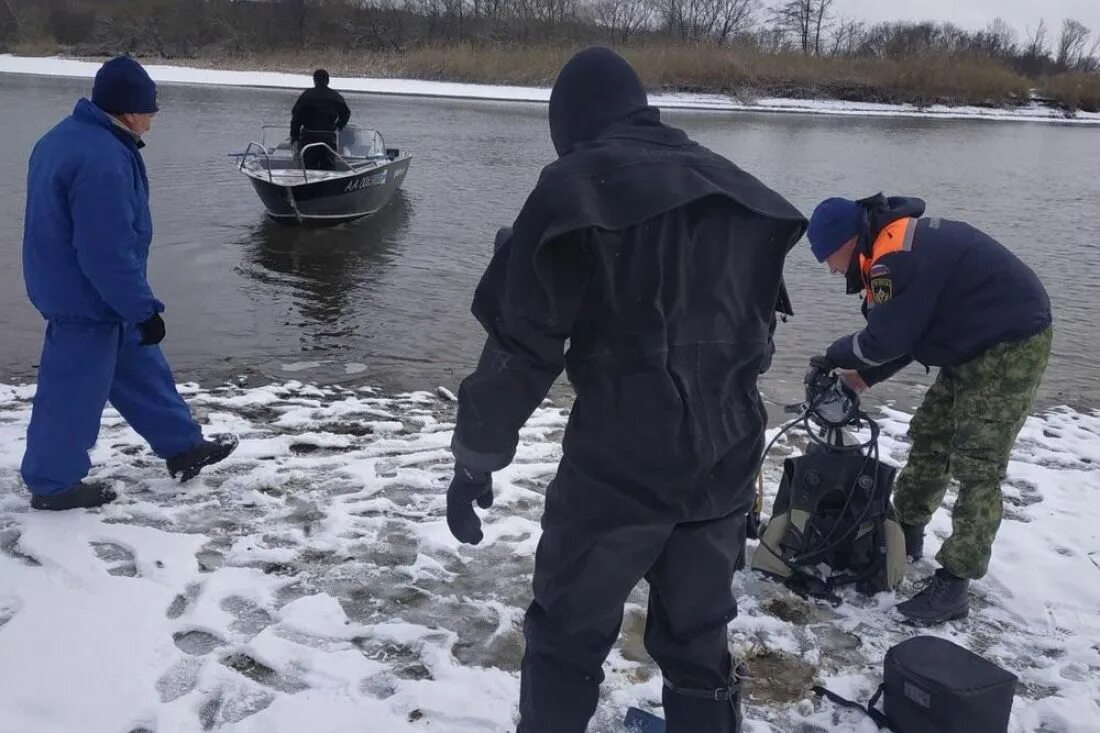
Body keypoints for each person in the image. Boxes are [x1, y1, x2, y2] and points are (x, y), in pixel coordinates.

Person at [446, 48, 807, 732]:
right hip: (728, 456)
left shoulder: (572, 186)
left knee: (567, 634)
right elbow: (753, 342)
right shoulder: (736, 187)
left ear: (571, 125)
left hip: (620, 464)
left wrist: (475, 459)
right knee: (699, 643)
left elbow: (521, 352)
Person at [805, 194, 1052, 626]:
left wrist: (831, 357)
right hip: (968, 339)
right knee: (930, 437)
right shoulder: (886, 247)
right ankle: (907, 535)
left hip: (1010, 340)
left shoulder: (891, 260)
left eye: (830, 257)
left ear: (847, 241)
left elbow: (885, 340)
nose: (831, 269)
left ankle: (955, 584)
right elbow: (908, 333)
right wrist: (860, 379)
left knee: (978, 462)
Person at [20, 55, 238, 511]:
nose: (154, 117)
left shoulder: (70, 138)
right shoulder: (101, 158)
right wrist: (142, 307)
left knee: (142, 372)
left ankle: (183, 447)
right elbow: (105, 249)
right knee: (71, 395)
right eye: (150, 108)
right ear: (128, 109)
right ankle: (52, 485)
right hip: (86, 299)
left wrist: (133, 307)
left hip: (94, 295)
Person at [290, 69, 351, 170]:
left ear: (314, 80)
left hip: (309, 136)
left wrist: (294, 137)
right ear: (328, 81)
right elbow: (346, 113)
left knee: (308, 166)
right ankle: (328, 184)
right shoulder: (335, 96)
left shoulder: (306, 95)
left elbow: (296, 117)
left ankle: (307, 184)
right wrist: (338, 127)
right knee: (328, 167)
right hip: (328, 136)